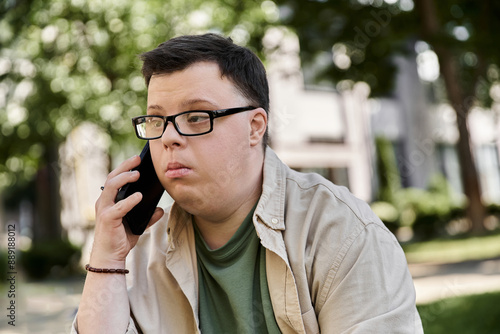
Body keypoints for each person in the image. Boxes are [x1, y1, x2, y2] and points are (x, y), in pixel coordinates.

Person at [73, 33, 423, 333]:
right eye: (157, 120)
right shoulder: (138, 251)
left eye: (196, 117)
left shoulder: (342, 233)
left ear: (255, 127)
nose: (169, 138)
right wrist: (108, 256)